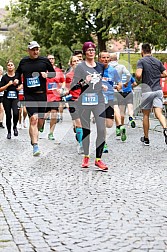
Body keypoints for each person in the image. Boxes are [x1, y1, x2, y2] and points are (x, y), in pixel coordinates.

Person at [71, 41, 108, 171]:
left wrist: (101, 85)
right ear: (85, 52)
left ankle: (98, 159)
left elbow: (99, 80)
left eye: (93, 50)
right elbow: (73, 86)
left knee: (102, 129)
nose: (91, 52)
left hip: (99, 100)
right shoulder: (80, 67)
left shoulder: (100, 66)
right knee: (86, 130)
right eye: (89, 50)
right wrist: (84, 81)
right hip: (85, 102)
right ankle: (86, 156)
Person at [15, 41, 55, 155]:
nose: (35, 51)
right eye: (33, 49)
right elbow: (18, 72)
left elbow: (53, 73)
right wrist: (17, 79)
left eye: (37, 49)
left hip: (41, 94)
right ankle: (35, 145)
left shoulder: (44, 61)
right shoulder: (24, 62)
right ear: (28, 51)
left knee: (40, 121)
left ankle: (37, 131)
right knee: (33, 119)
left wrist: (47, 75)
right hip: (29, 95)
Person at [135, 43, 167, 145]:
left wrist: (139, 76)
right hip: (158, 90)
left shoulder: (141, 61)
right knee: (159, 113)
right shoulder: (157, 61)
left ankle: (146, 138)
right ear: (151, 51)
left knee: (146, 115)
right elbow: (165, 74)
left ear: (142, 51)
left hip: (147, 91)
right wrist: (157, 76)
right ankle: (165, 128)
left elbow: (138, 75)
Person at [99, 50, 122, 153]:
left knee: (109, 124)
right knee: (102, 122)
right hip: (99, 99)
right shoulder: (96, 69)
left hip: (110, 99)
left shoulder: (113, 70)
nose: (105, 59)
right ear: (99, 59)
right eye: (103, 57)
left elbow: (119, 82)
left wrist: (118, 86)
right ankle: (103, 143)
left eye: (107, 58)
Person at [109, 52, 131, 140]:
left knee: (114, 109)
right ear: (117, 59)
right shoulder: (121, 67)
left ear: (110, 59)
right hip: (120, 90)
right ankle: (121, 125)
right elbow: (128, 74)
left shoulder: (107, 67)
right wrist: (126, 83)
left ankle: (118, 127)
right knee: (122, 111)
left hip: (111, 90)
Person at [65, 55, 84, 154]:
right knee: (79, 123)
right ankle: (81, 144)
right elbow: (67, 90)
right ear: (71, 63)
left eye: (78, 60)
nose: (77, 62)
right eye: (74, 61)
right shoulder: (68, 76)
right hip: (73, 101)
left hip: (83, 101)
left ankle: (80, 137)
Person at [0, 60, 22, 139]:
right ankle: (9, 131)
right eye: (8, 65)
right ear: (7, 67)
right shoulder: (4, 77)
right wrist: (8, 85)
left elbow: (22, 84)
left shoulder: (17, 76)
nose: (10, 66)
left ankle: (15, 127)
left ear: (14, 67)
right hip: (6, 98)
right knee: (8, 115)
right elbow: (0, 89)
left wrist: (19, 87)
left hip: (15, 97)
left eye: (11, 65)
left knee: (16, 113)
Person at [45, 54, 65, 140]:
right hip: (45, 95)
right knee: (44, 116)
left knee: (54, 114)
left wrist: (62, 88)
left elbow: (63, 81)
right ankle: (41, 125)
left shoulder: (58, 71)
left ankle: (51, 133)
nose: (51, 60)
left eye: (52, 59)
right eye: (49, 59)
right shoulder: (43, 70)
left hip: (55, 96)